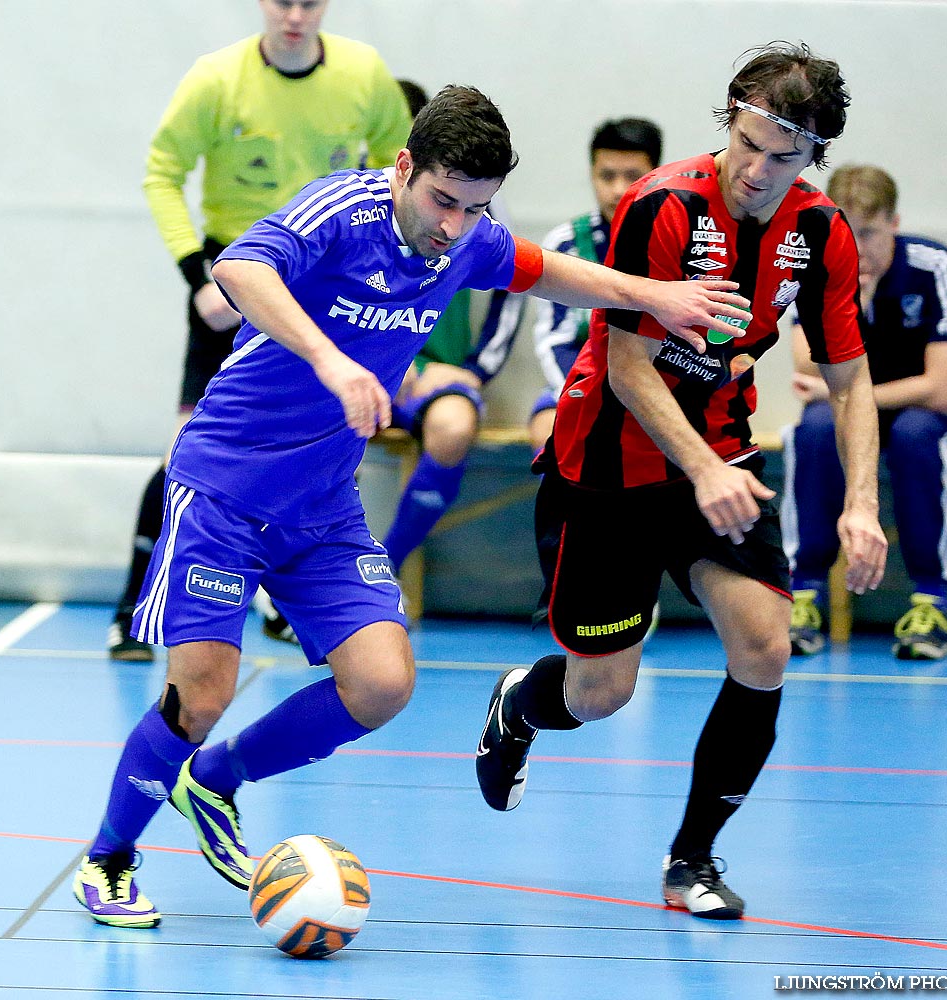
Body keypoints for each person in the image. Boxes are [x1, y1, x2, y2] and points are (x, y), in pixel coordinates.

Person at [73, 84, 753, 928]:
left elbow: (550, 273)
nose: (455, 226)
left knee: (383, 683)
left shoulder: (466, 240)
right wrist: (330, 360)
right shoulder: (346, 210)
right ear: (404, 168)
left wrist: (653, 296)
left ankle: (214, 781)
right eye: (442, 200)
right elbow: (238, 267)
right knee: (199, 696)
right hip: (223, 489)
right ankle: (109, 857)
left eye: (477, 209)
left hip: (321, 507)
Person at [474, 43, 888, 921]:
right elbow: (626, 365)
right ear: (728, 121)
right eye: (746, 144)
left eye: (783, 158)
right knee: (601, 694)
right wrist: (698, 470)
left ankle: (691, 860)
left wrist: (861, 504)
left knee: (766, 645)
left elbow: (851, 380)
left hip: (722, 456)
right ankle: (521, 702)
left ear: (813, 158)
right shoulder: (659, 204)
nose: (757, 170)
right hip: (611, 468)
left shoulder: (821, 234)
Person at [107, 0, 413, 661]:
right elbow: (161, 173)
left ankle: (290, 600)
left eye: (309, 2)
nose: (295, 16)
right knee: (190, 448)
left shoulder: (363, 74)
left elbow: (402, 174)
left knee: (322, 449)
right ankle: (133, 605)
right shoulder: (217, 78)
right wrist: (199, 274)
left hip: (326, 292)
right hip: (238, 279)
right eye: (282, 1)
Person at [782, 165, 947, 660]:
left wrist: (848, 393)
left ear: (894, 223)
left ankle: (930, 602)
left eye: (867, 232)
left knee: (915, 437)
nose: (856, 247)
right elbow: (806, 361)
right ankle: (802, 596)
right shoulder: (816, 264)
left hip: (922, 414)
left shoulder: (936, 266)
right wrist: (852, 304)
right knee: (815, 430)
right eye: (845, 233)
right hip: (852, 405)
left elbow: (941, 390)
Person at [380, 80, 527, 576]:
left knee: (453, 426)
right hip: (352, 367)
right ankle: (284, 583)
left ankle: (385, 568)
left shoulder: (470, 200)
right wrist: (370, 365)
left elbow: (525, 280)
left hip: (433, 371)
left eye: (470, 211)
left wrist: (472, 371)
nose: (452, 226)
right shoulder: (347, 197)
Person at [528, 118, 664, 452]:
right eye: (607, 176)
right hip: (578, 386)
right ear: (592, 175)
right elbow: (553, 340)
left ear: (656, 174)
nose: (618, 189)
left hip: (659, 385)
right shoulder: (565, 244)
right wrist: (590, 396)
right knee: (547, 430)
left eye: (632, 176)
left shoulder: (674, 239)